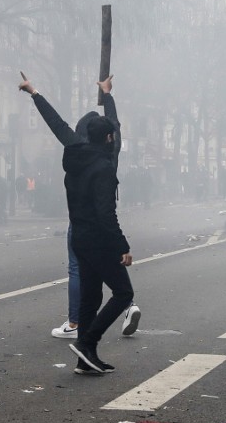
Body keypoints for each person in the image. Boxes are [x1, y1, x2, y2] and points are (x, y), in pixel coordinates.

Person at [19, 74, 140, 342]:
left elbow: (56, 124)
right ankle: (91, 339)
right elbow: (115, 126)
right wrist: (108, 95)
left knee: (86, 284)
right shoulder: (110, 154)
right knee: (116, 286)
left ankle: (79, 332)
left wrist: (35, 93)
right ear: (107, 136)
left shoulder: (75, 149)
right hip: (102, 227)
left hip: (80, 226)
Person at [63, 116, 134, 373]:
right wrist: (122, 246)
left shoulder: (75, 163)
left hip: (79, 237)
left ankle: (85, 360)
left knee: (90, 298)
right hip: (99, 240)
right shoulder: (103, 167)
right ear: (108, 138)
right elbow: (106, 212)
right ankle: (87, 343)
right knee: (124, 293)